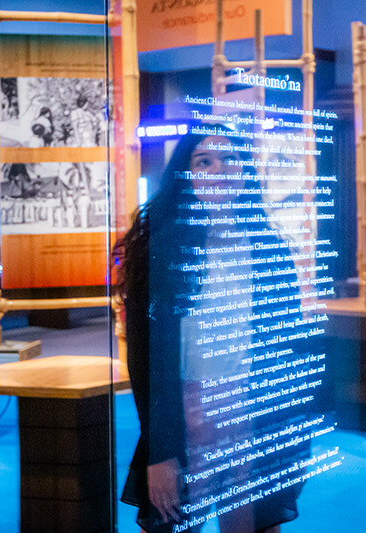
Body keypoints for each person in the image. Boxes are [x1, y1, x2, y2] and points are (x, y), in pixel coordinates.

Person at [116, 128, 308, 533]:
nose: (219, 169)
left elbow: (285, 348)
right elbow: (144, 362)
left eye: (229, 159)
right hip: (185, 417)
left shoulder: (270, 248)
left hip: (253, 415)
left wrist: (291, 435)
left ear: (245, 173)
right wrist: (160, 452)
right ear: (185, 174)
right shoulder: (159, 252)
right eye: (204, 161)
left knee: (253, 527)